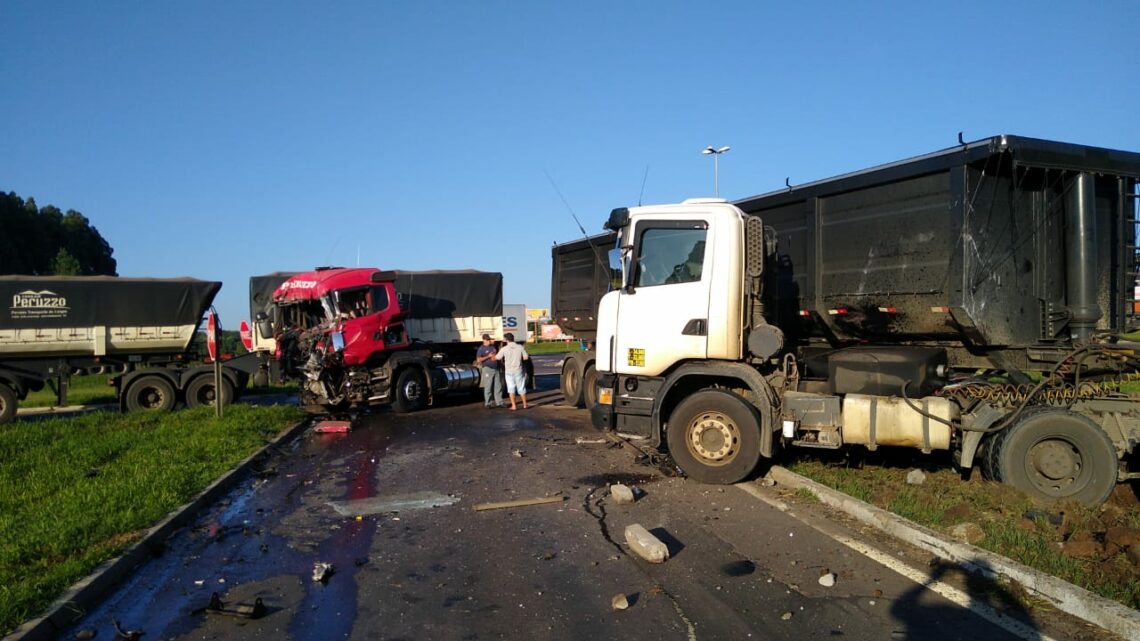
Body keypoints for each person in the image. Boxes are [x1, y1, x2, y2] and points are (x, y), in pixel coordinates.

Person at [494, 332, 530, 410]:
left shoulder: (504, 349)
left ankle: (514, 406)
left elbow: (497, 357)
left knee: (511, 389)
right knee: (521, 388)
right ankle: (525, 404)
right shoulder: (520, 347)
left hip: (509, 371)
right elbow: (526, 357)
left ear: (506, 340)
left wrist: (491, 357)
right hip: (518, 370)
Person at [475, 333, 505, 408]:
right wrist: (488, 356)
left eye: (489, 339)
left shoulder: (493, 347)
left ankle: (499, 402)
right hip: (487, 369)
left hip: (496, 368)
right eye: (487, 340)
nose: (489, 341)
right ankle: (488, 403)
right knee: (488, 386)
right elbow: (478, 360)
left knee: (498, 386)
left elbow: (496, 355)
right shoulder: (481, 349)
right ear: (484, 340)